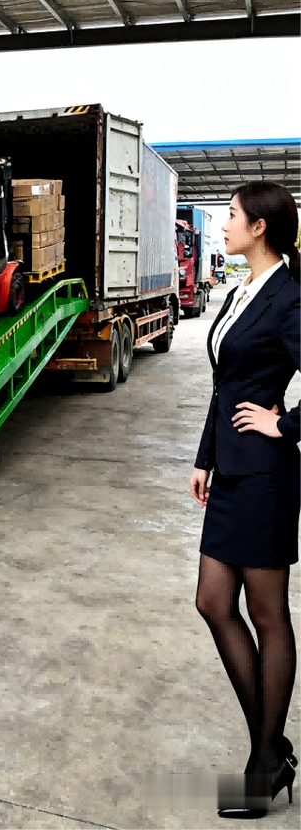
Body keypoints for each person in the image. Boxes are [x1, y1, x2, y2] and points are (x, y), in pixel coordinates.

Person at [190, 182, 301, 817]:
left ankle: (263, 763)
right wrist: (205, 456)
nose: (224, 224)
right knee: (212, 601)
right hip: (231, 471)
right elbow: (223, 385)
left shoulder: (290, 297)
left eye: (231, 215)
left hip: (266, 475)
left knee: (267, 613)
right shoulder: (240, 291)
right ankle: (273, 747)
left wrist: (284, 425)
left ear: (260, 227)